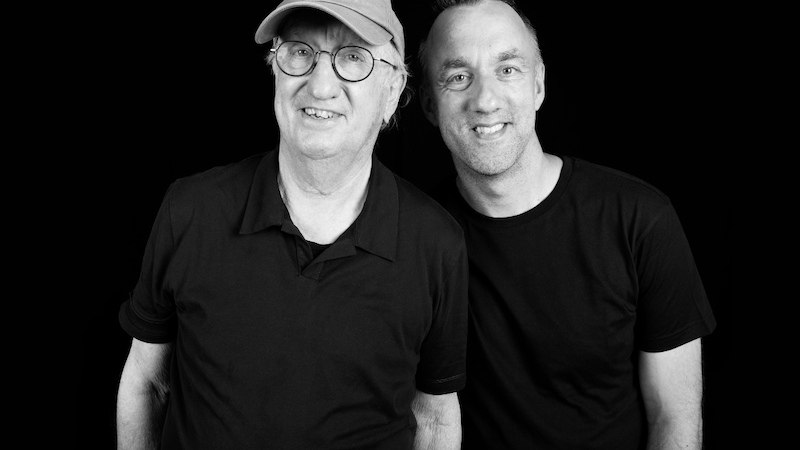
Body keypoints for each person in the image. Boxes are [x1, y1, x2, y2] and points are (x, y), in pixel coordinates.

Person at [116, 1, 468, 448]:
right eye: (300, 52)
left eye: (354, 58)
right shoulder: (191, 209)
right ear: (276, 68)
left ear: (393, 88)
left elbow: (435, 419)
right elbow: (148, 383)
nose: (320, 86)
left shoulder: (435, 243)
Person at [417, 0, 717, 448]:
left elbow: (674, 420)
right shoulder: (418, 237)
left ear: (538, 86)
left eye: (508, 70)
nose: (485, 99)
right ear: (428, 104)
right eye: (458, 77)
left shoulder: (639, 218)